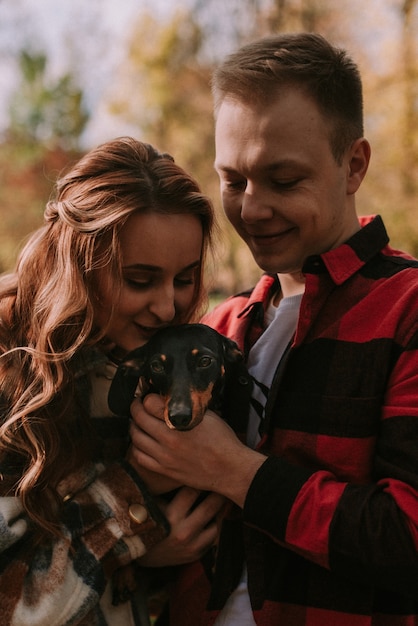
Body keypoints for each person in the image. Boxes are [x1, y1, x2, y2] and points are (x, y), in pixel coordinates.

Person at [129, 33, 418, 625]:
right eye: (233, 180)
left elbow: (407, 537)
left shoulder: (407, 307)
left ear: (353, 165)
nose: (252, 209)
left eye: (283, 180)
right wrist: (149, 551)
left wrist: (234, 472)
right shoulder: (215, 327)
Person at [0, 136, 223, 625]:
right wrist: (131, 520)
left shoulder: (149, 365)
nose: (168, 307)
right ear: (78, 264)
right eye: (140, 280)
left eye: (184, 279)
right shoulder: (9, 365)